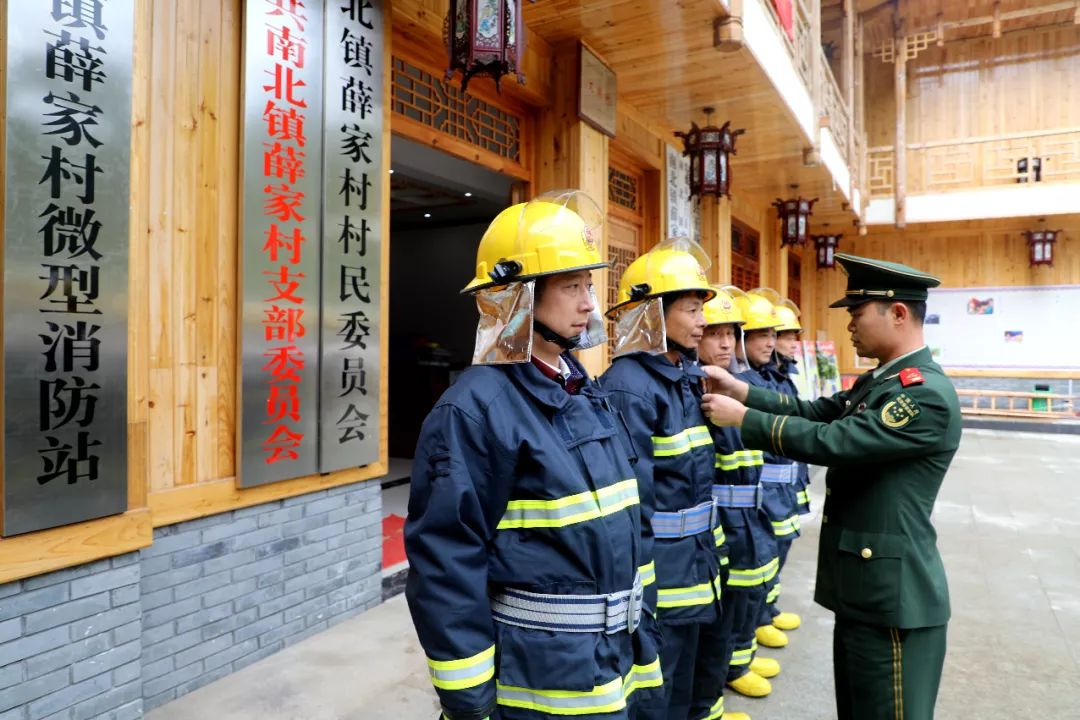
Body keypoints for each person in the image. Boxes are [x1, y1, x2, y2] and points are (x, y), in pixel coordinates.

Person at [405, 191, 662, 720]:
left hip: (614, 665)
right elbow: (448, 568)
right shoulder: (473, 412)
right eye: (571, 286)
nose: (590, 302)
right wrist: (471, 705)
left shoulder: (583, 388)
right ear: (516, 296)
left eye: (588, 284)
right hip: (539, 685)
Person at [700, 254, 962, 720]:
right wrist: (744, 392)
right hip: (866, 590)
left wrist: (745, 421)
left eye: (857, 314)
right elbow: (819, 412)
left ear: (897, 313)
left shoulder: (923, 394)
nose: (850, 327)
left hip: (894, 600)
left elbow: (836, 440)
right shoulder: (881, 381)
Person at [600, 239, 721, 720]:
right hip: (660, 582)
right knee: (657, 692)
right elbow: (635, 504)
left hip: (693, 569)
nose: (703, 322)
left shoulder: (683, 375)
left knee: (683, 682)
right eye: (691, 309)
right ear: (651, 314)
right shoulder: (629, 388)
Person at [688, 288, 777, 720]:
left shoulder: (738, 386)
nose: (725, 343)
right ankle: (710, 703)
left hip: (745, 520)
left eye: (730, 334)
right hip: (716, 527)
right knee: (715, 623)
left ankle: (730, 674)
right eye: (715, 332)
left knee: (740, 608)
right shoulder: (692, 392)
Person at [728, 289, 800, 650]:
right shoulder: (744, 383)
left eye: (777, 335)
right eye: (765, 335)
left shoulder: (772, 378)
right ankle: (755, 623)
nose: (773, 343)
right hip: (760, 496)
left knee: (773, 558)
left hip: (779, 494)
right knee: (755, 567)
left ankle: (765, 612)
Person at [755, 289, 813, 520]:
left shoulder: (783, 376)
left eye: (794, 338)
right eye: (787, 337)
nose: (793, 344)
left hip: (787, 486)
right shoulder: (759, 381)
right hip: (770, 493)